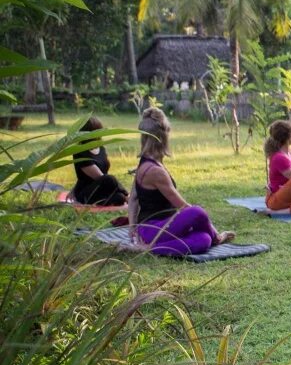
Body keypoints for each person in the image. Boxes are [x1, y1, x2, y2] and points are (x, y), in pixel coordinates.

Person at [127, 108, 234, 257]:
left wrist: (132, 229)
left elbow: (132, 199)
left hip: (161, 227)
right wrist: (214, 231)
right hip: (153, 229)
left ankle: (152, 247)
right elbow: (182, 206)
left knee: (203, 239)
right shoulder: (154, 171)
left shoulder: (146, 163)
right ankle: (148, 249)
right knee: (197, 212)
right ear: (163, 137)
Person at [71, 116, 128, 205]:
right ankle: (128, 196)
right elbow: (100, 177)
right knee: (109, 179)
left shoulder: (101, 148)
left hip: (101, 189)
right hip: (86, 192)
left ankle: (124, 197)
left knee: (120, 198)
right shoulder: (80, 152)